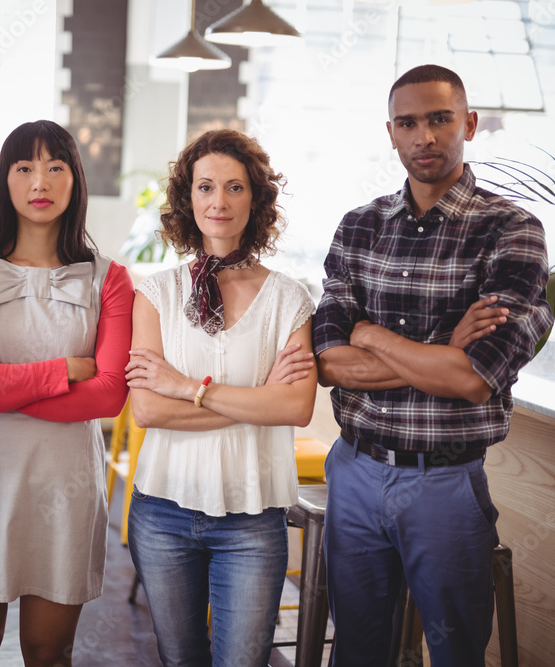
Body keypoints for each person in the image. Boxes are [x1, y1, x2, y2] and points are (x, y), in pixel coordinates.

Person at [312, 64, 554, 667]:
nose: (425, 136)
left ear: (468, 124)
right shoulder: (359, 227)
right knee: (359, 649)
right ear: (390, 133)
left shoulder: (511, 231)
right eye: (409, 123)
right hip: (355, 472)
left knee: (454, 652)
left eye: (440, 119)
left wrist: (371, 334)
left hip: (445, 482)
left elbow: (473, 379)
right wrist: (443, 345)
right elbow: (329, 362)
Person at [0, 120, 134, 667]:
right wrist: (64, 369)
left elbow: (109, 396)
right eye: (24, 167)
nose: (39, 180)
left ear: (75, 180)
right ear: (6, 180)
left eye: (55, 166)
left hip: (65, 483)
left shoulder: (109, 278)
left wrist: (4, 378)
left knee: (50, 652)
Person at [124, 128, 318, 666]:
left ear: (256, 199)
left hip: (253, 519)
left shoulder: (289, 299)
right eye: (206, 187)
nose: (219, 201)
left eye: (235, 188)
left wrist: (190, 390)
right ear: (188, 198)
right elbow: (147, 410)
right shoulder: (155, 293)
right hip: (162, 509)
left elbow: (295, 408)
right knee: (180, 658)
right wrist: (257, 398)